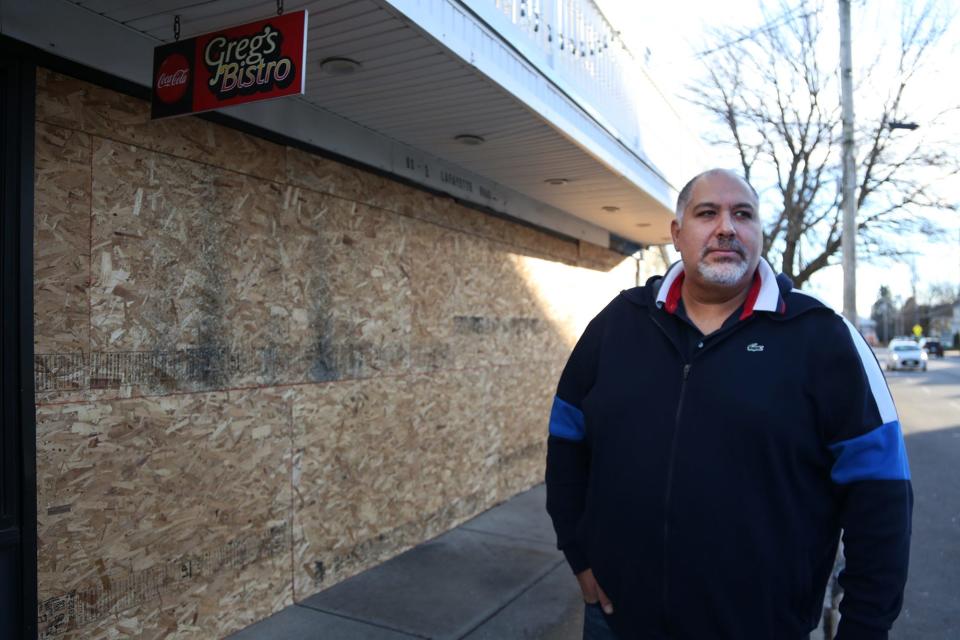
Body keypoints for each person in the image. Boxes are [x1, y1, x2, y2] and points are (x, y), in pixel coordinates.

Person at [545, 169, 912, 640]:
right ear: (677, 234)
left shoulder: (822, 337)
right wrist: (578, 554)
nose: (726, 227)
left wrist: (865, 626)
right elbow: (566, 438)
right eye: (707, 213)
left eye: (743, 214)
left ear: (759, 233)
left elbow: (881, 493)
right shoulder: (619, 324)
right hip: (617, 620)